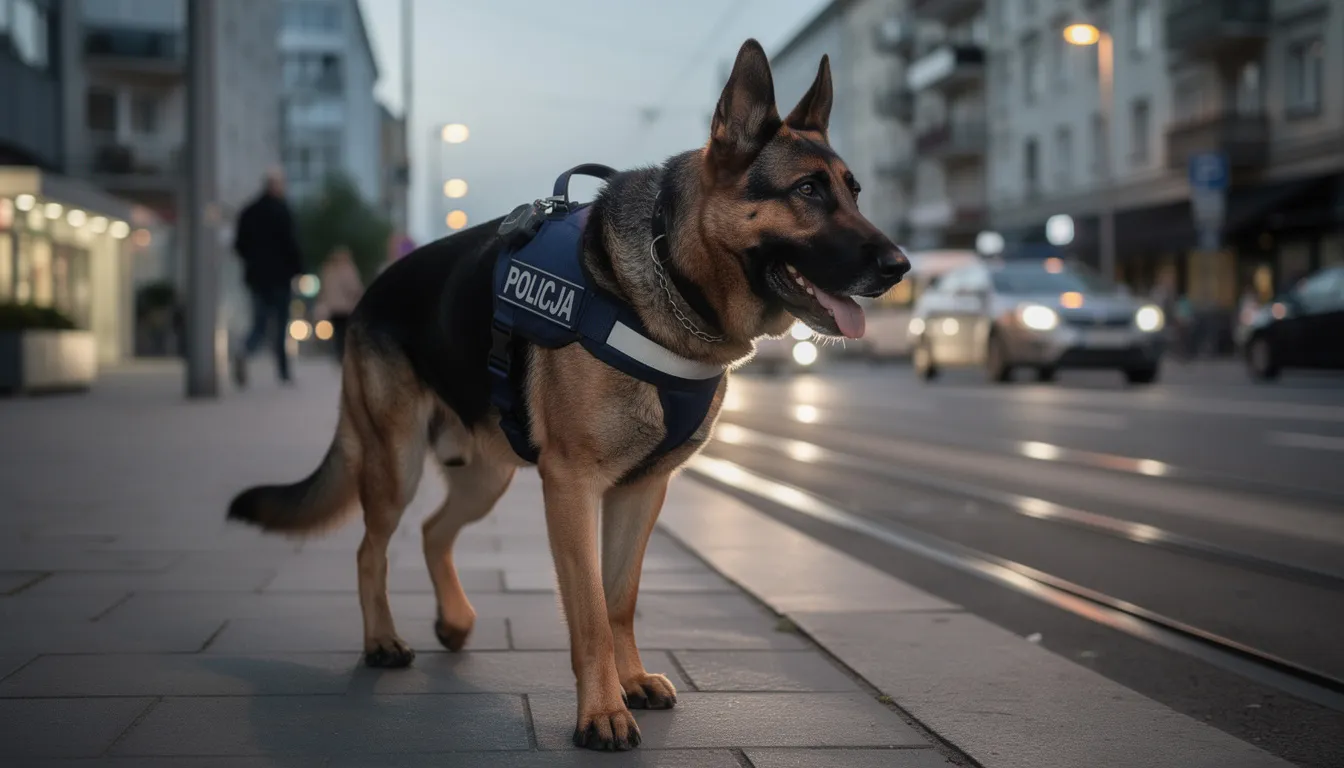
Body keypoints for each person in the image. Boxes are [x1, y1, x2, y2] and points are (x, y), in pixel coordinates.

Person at [231, 168, 304, 387]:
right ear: (276, 185)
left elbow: (239, 245)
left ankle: (246, 350)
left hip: (257, 277)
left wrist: (252, 262)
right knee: (281, 326)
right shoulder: (282, 211)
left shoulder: (249, 211)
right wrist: (298, 269)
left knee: (260, 323)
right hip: (280, 278)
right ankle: (283, 372)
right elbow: (291, 244)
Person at [313, 246, 364, 361]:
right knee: (346, 332)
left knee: (337, 332)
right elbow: (353, 287)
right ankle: (343, 354)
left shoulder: (327, 270)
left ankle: (337, 353)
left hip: (333, 307)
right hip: (346, 307)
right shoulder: (347, 269)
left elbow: (324, 290)